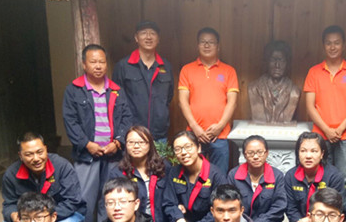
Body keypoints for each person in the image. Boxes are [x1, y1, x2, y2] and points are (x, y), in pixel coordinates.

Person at [63, 43, 132, 222]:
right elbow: (70, 121)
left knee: (110, 197)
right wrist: (87, 144)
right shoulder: (74, 90)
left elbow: (127, 118)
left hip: (113, 154)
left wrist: (118, 142)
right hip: (87, 155)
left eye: (102, 62)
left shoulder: (116, 90)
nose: (98, 66)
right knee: (84, 198)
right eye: (93, 62)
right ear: (84, 64)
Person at [303, 25, 346, 211]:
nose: (332, 47)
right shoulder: (314, 72)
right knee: (321, 177)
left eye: (337, 43)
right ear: (323, 45)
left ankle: (341, 215)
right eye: (328, 43)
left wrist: (340, 129)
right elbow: (310, 106)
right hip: (321, 135)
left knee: (345, 177)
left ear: (343, 45)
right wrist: (327, 130)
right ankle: (321, 213)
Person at [0, 132, 85, 222]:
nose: (36, 158)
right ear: (20, 156)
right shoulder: (11, 174)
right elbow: (9, 203)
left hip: (61, 215)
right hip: (29, 218)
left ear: (46, 150)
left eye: (40, 152)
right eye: (29, 154)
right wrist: (14, 215)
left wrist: (43, 219)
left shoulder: (62, 166)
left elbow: (73, 201)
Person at [162, 130, 227, 222]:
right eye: (178, 149)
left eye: (188, 147)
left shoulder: (215, 175)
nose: (183, 153)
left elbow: (220, 209)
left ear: (198, 148)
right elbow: (168, 202)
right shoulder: (174, 172)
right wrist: (179, 220)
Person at [178, 27, 239, 174]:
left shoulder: (229, 71)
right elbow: (182, 101)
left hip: (220, 135)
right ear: (197, 45)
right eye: (203, 42)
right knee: (192, 176)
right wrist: (195, 127)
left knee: (219, 176)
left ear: (218, 46)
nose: (206, 45)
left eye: (211, 42)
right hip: (194, 134)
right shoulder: (187, 70)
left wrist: (220, 126)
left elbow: (232, 102)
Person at [112, 21, 174, 144]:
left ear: (158, 39)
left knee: (160, 157)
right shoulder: (123, 66)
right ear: (136, 37)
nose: (148, 37)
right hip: (132, 133)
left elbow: (169, 96)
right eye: (144, 33)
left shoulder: (166, 66)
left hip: (159, 133)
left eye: (152, 33)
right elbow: (116, 100)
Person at [227, 135, 286, 222]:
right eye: (250, 153)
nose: (255, 156)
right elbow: (228, 202)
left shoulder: (277, 176)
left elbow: (279, 206)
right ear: (244, 155)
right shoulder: (233, 175)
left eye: (260, 152)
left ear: (266, 153)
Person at [284, 131, 345, 222]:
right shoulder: (290, 176)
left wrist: (310, 221)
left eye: (314, 151)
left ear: (322, 154)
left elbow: (336, 208)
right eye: (303, 151)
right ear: (298, 153)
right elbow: (290, 208)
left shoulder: (334, 176)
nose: (308, 156)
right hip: (299, 221)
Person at [108, 125, 168, 222]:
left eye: (141, 142)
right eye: (131, 142)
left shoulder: (163, 168)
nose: (136, 146)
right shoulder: (118, 172)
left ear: (150, 144)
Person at [248, 40, 301, 123]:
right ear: (266, 62)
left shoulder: (294, 92)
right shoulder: (253, 89)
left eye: (281, 60)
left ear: (287, 63)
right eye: (273, 60)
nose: (277, 65)